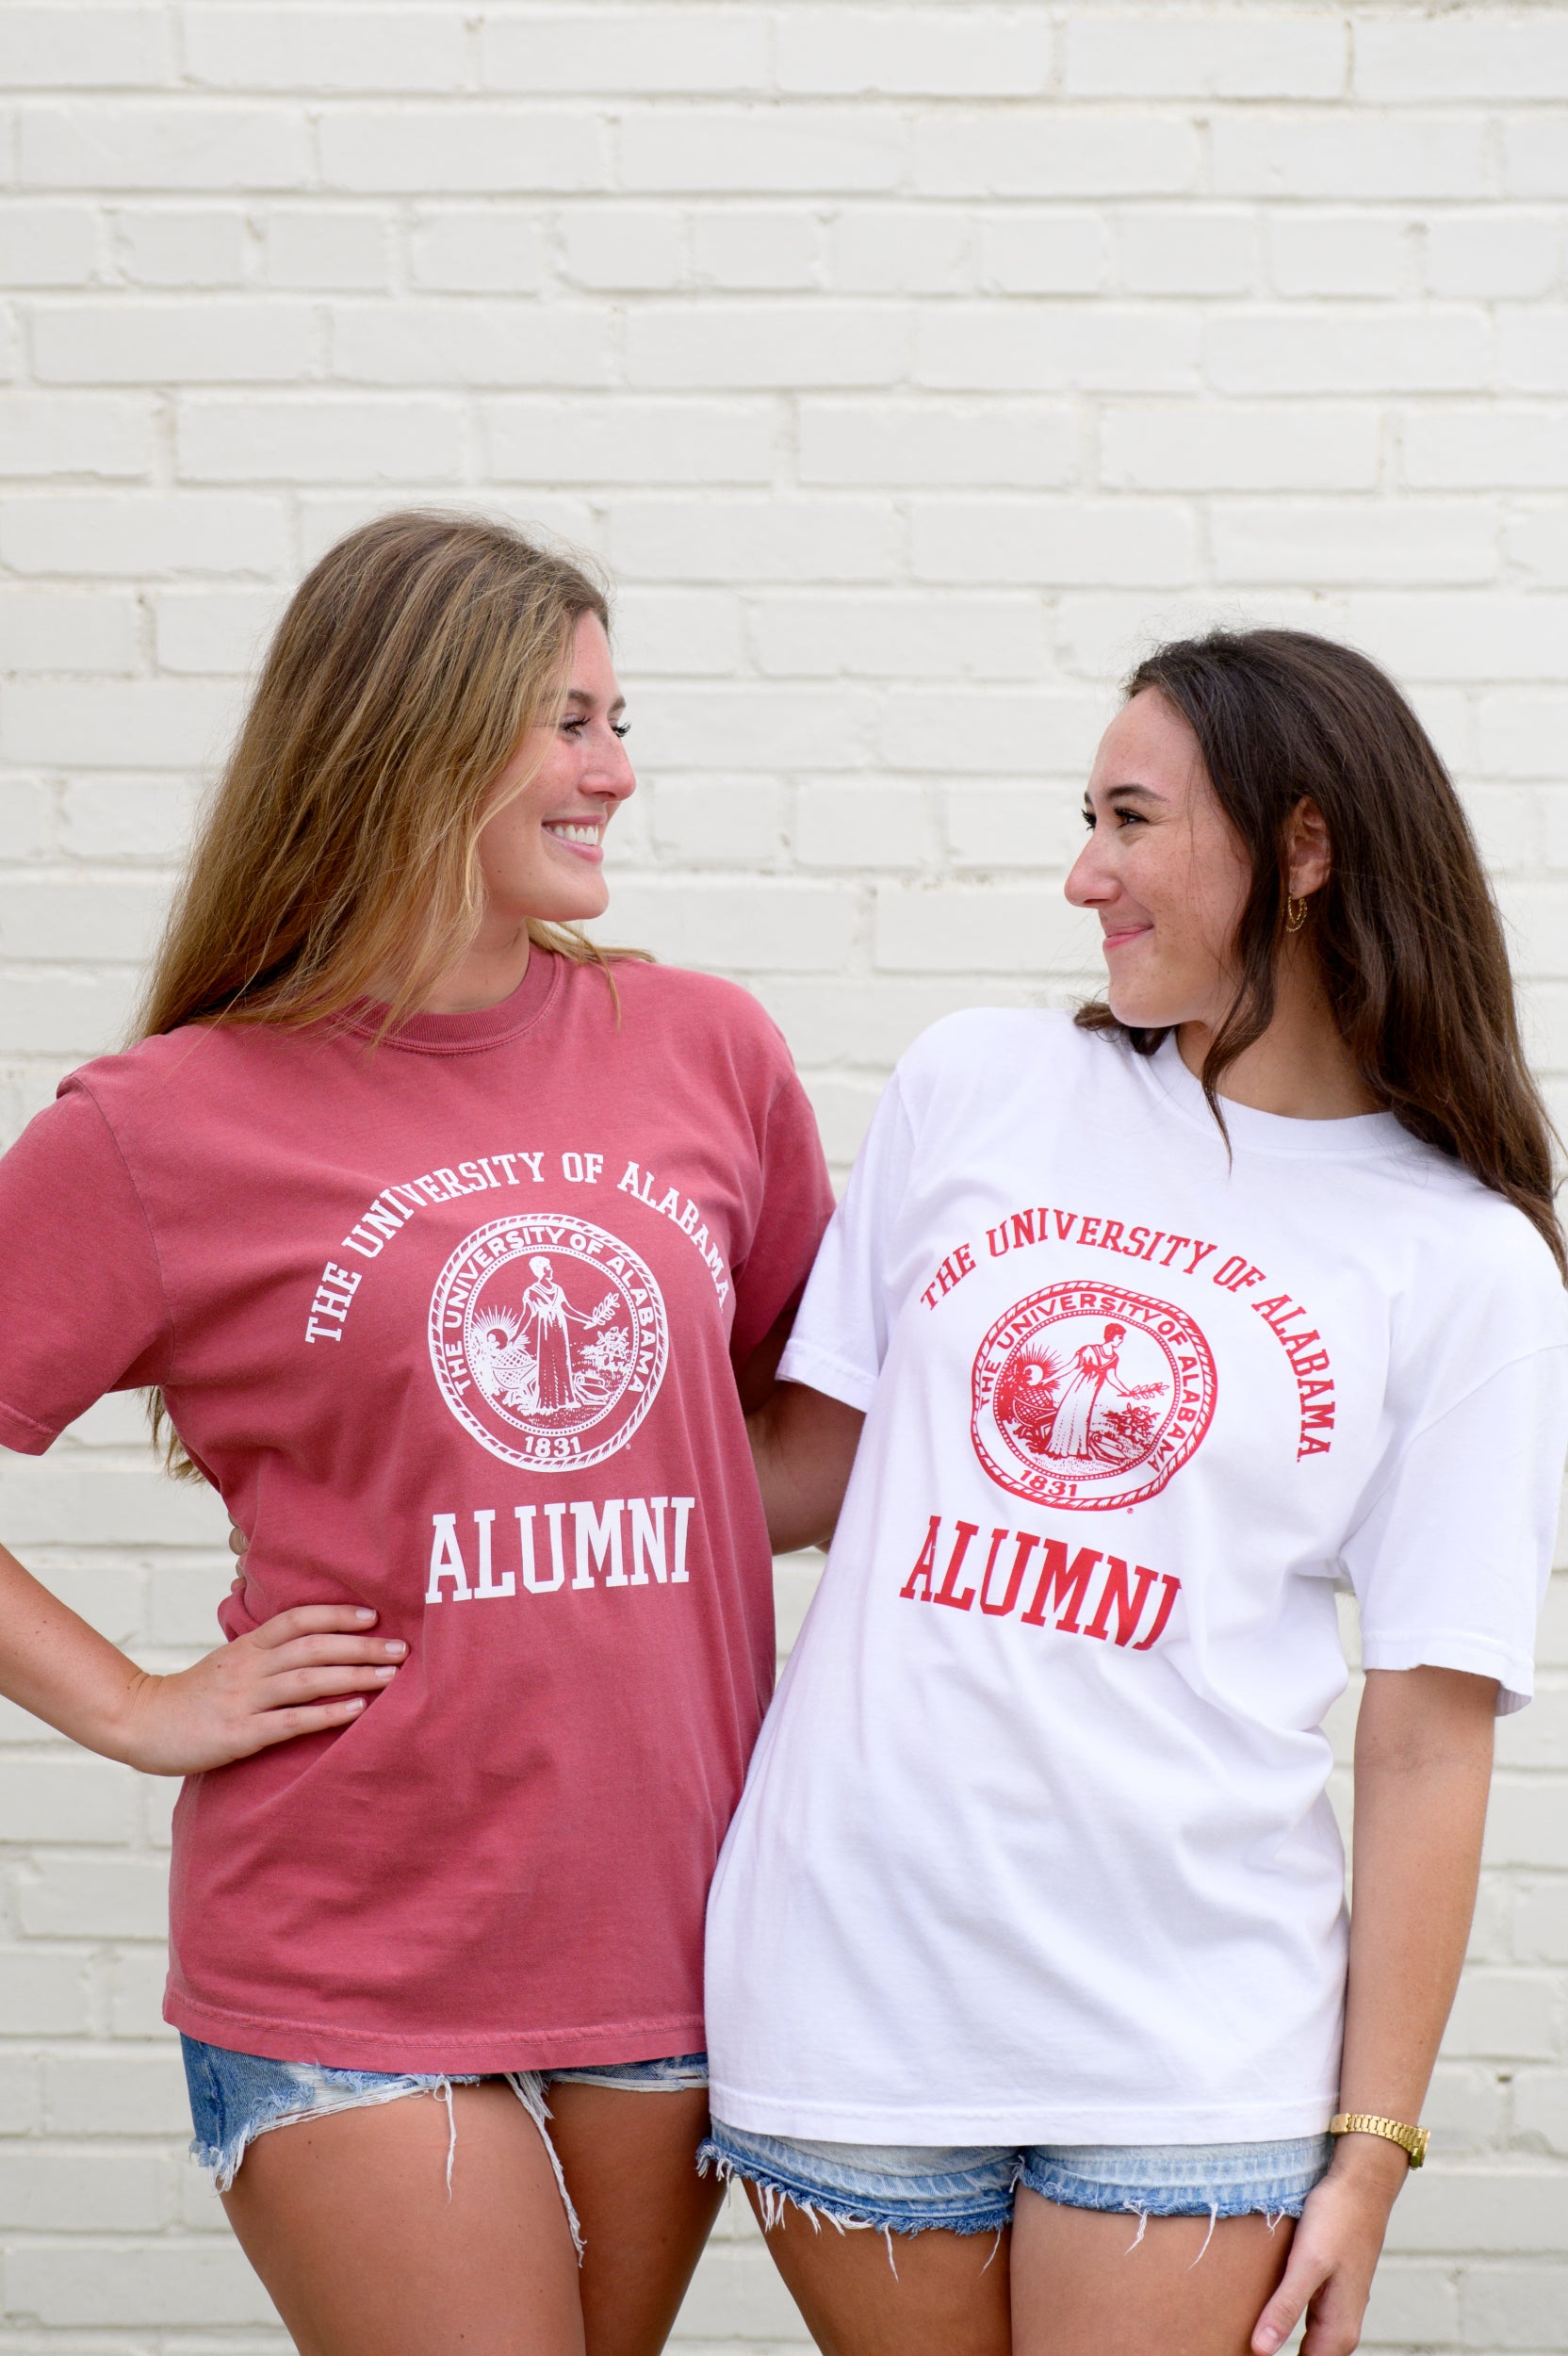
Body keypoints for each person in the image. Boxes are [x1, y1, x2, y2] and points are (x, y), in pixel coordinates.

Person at [0, 511, 833, 2356]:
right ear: (411, 731)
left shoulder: (708, 1049)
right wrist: (134, 1704)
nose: (615, 770)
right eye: (567, 720)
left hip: (671, 1927)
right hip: (346, 1942)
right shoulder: (161, 1126)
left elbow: (795, 1443)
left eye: (622, 719)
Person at [701, 628, 1568, 2356]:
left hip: (1191, 2038)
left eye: (1130, 819)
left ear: (1304, 850)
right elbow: (805, 1467)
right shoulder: (977, 1086)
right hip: (851, 1991)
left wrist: (1373, 2152)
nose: (1081, 873)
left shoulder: (1466, 1266)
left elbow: (1425, 1731)